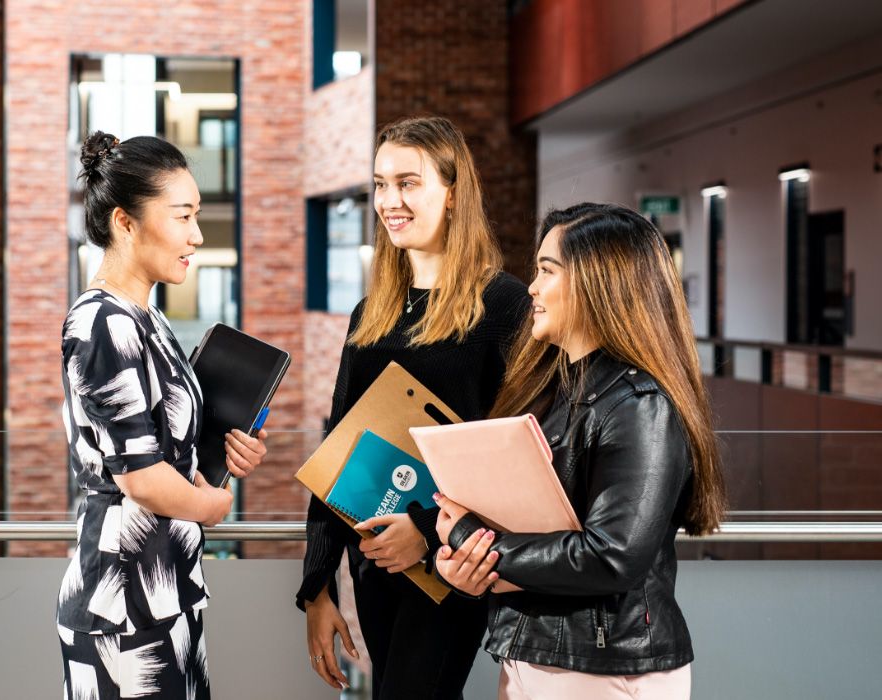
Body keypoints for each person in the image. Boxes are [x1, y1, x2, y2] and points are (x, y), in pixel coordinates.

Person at [432, 202, 728, 699]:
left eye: (547, 271)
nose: (531, 288)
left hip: (606, 669)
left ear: (598, 283)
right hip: (533, 656)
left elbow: (611, 556)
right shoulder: (553, 392)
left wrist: (473, 539)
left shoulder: (640, 406)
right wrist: (467, 569)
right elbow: (535, 539)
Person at [297, 116, 531, 698]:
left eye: (408, 183)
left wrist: (426, 531)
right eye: (379, 184)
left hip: (451, 565)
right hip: (373, 563)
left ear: (453, 193)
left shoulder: (502, 305)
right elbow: (337, 450)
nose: (388, 202)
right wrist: (317, 586)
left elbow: (516, 453)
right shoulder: (370, 311)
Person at [57, 131, 269, 699]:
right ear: (125, 224)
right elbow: (141, 477)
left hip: (166, 590)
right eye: (182, 217)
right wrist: (214, 506)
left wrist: (225, 453)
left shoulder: (148, 318)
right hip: (122, 606)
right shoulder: (102, 323)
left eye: (196, 216)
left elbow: (170, 450)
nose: (196, 236)